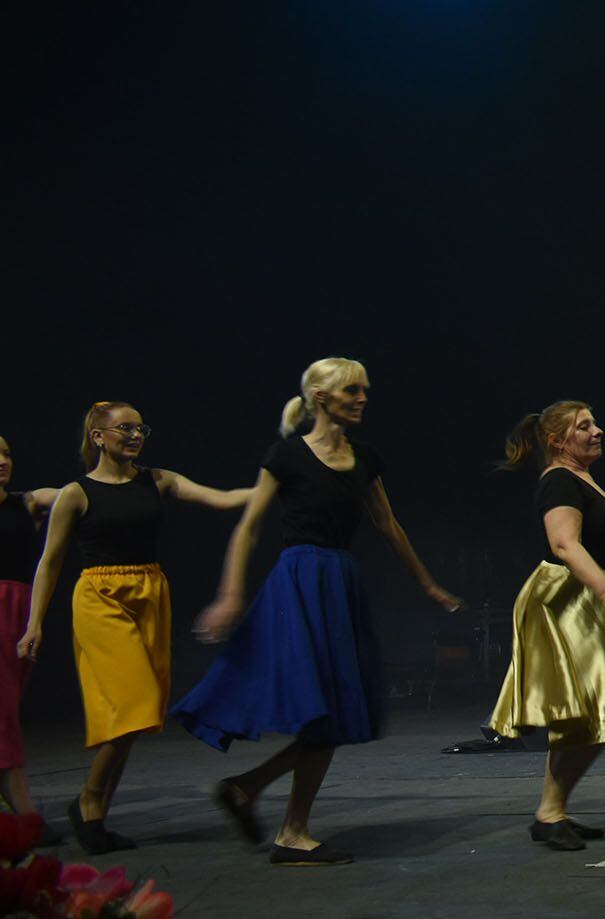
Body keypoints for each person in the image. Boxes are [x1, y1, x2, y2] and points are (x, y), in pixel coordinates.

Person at [172, 358, 463, 866]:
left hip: (339, 582)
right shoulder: (286, 455)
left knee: (334, 711)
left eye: (365, 390)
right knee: (322, 709)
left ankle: (251, 792)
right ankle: (288, 828)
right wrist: (230, 593)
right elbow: (248, 527)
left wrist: (428, 584)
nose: (363, 398)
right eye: (352, 390)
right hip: (299, 582)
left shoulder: (364, 458)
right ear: (322, 397)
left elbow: (389, 526)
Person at [16, 402, 253, 853]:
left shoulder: (158, 480)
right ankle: (87, 800)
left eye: (141, 428)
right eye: (125, 428)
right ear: (98, 436)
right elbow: (49, 563)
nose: (136, 435)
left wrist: (272, 486)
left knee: (139, 716)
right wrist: (35, 624)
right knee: (135, 706)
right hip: (101, 599)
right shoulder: (77, 493)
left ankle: (95, 816)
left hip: (150, 594)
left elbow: (220, 498)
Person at [489, 401, 605, 852]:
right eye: (584, 426)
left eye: (594, 423)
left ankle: (552, 811)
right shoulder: (559, 480)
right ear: (557, 440)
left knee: (594, 715)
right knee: (591, 712)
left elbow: (591, 541)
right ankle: (549, 812)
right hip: (566, 601)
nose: (597, 431)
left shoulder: (580, 477)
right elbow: (563, 544)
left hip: (588, 595)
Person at [0, 435, 59, 825]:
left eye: (5, 453)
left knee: (7, 708)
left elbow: (80, 493)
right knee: (3, 713)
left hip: (18, 615)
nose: (1, 460)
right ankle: (25, 814)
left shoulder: (28, 503)